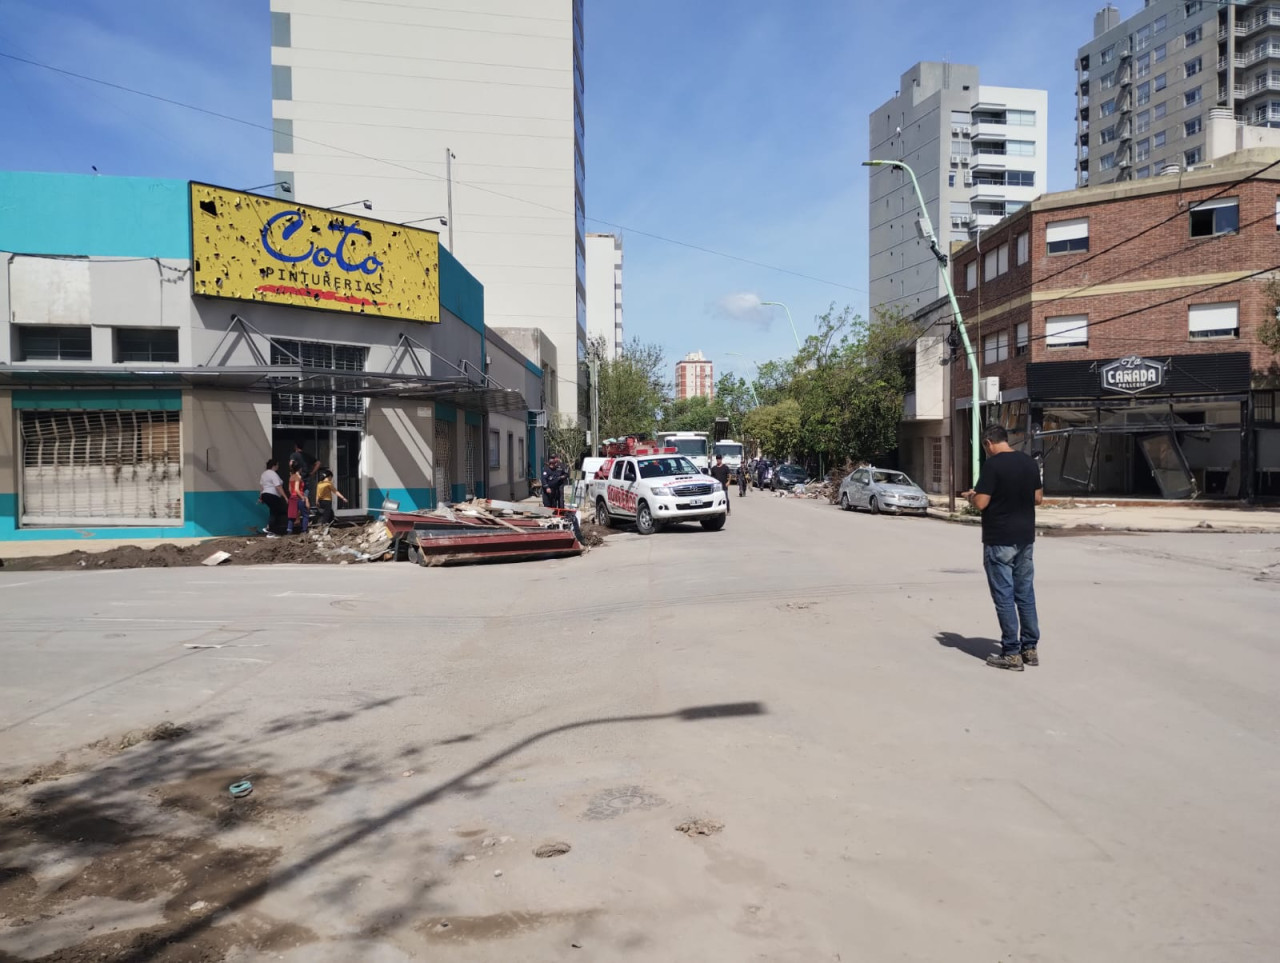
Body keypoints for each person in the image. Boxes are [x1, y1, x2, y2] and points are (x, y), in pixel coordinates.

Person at [963, 425, 1044, 672]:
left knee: (1004, 596)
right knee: (1025, 593)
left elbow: (981, 503)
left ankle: (1011, 652)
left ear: (988, 443)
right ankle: (1029, 649)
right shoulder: (1029, 463)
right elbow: (1038, 498)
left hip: (999, 539)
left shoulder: (993, 465)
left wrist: (971, 496)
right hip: (1025, 537)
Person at [259, 458, 287, 537]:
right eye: (277, 465)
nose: (278, 466)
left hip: (265, 495)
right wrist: (285, 497)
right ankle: (270, 529)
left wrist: (260, 497)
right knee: (275, 511)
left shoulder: (264, 474)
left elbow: (262, 487)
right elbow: (278, 486)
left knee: (273, 511)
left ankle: (270, 528)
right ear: (274, 465)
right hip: (272, 495)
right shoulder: (273, 473)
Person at [286, 467, 310, 534]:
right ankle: (304, 530)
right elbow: (297, 489)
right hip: (299, 497)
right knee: (305, 514)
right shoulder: (298, 477)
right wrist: (302, 497)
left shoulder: (291, 477)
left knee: (292, 515)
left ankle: (289, 531)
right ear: (299, 469)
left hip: (292, 497)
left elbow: (290, 489)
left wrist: (292, 495)